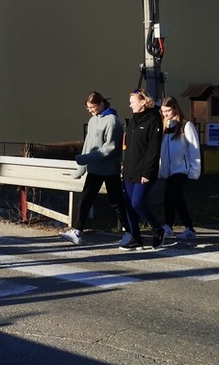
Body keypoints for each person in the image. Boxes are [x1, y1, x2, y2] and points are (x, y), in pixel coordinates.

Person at [62, 91, 132, 246]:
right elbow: (88, 144)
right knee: (85, 199)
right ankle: (78, 231)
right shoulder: (93, 120)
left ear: (101, 104)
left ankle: (129, 231)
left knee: (116, 202)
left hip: (110, 170)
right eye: (88, 107)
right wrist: (81, 168)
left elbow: (110, 148)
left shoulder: (113, 121)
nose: (90, 110)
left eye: (92, 107)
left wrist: (86, 159)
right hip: (94, 169)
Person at [119, 89, 166, 250]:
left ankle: (157, 229)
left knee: (137, 202)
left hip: (144, 171)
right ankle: (135, 238)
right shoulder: (133, 120)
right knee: (129, 205)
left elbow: (153, 149)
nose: (130, 105)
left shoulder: (154, 120)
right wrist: (124, 165)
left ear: (143, 102)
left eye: (132, 101)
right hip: (129, 170)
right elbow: (129, 146)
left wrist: (147, 172)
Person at [158, 96, 201, 240]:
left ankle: (168, 225)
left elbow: (194, 148)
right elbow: (162, 150)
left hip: (182, 169)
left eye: (168, 110)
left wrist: (194, 169)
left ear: (175, 109)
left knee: (169, 193)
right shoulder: (164, 125)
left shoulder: (185, 125)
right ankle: (189, 228)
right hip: (168, 170)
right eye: (163, 111)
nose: (165, 114)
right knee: (177, 198)